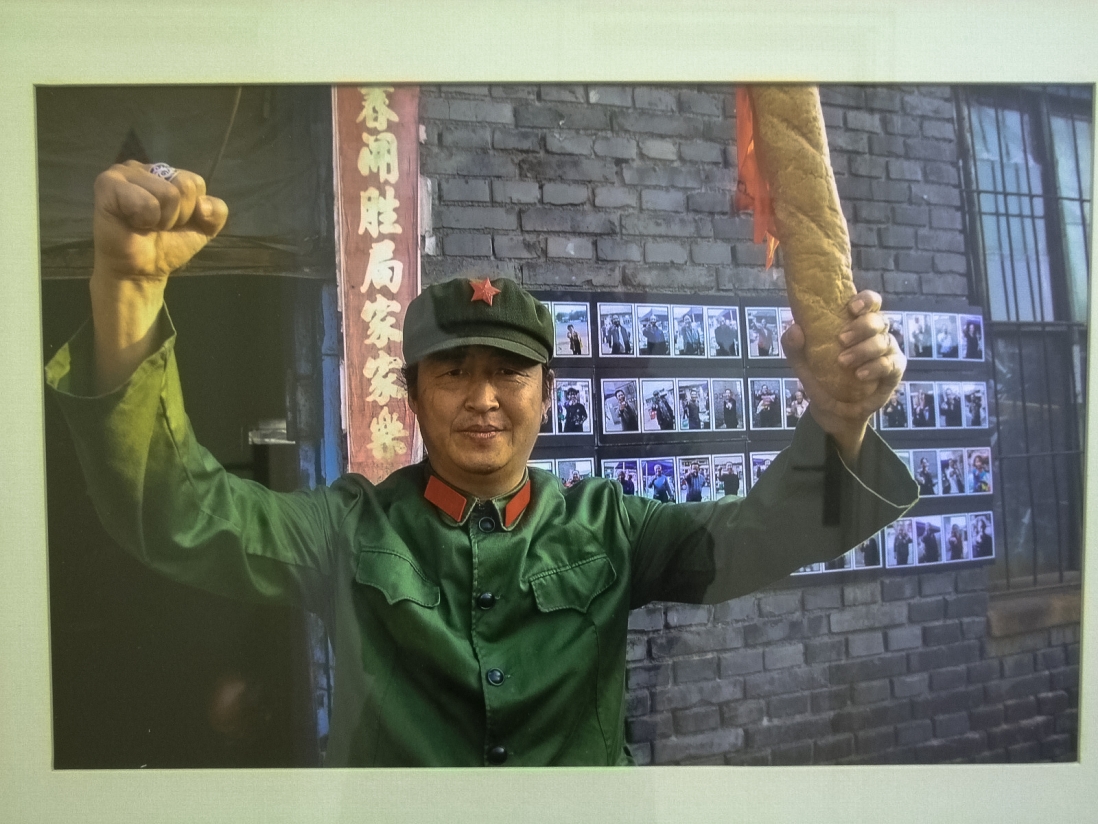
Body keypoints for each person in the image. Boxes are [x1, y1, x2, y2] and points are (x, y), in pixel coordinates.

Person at [45, 160, 916, 768]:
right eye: (453, 373)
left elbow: (762, 538)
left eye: (508, 372)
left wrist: (840, 419)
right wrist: (126, 290)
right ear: (412, 396)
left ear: (548, 393)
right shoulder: (348, 530)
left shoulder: (610, 527)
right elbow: (179, 511)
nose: (483, 399)